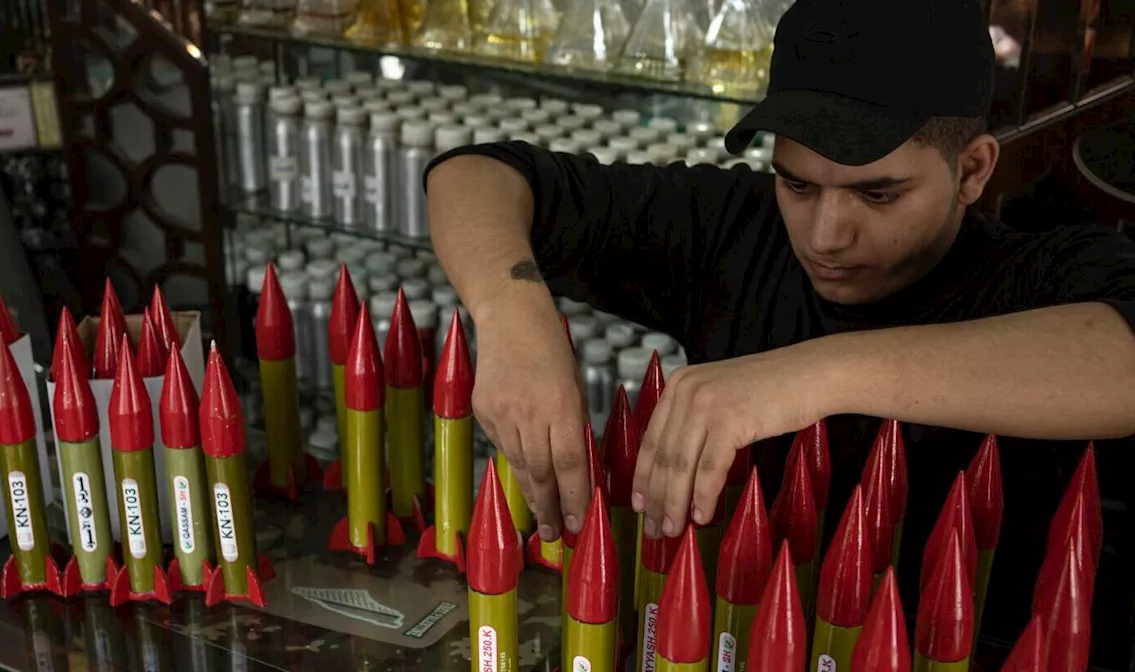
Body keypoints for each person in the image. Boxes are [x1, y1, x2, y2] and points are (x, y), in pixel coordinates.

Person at [423, 0, 1135, 549]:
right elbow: (475, 174)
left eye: (877, 194)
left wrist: (809, 378)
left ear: (973, 169)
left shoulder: (1039, 269)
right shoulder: (731, 225)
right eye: (797, 185)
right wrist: (515, 319)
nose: (826, 235)